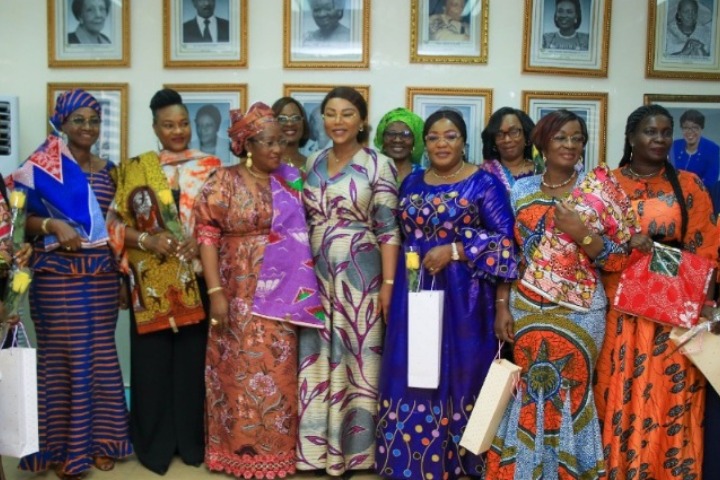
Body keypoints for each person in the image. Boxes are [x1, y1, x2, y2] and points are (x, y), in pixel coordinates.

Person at [487, 109, 638, 479]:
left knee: (572, 392)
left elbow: (617, 258)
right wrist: (502, 305)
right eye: (561, 137)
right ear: (542, 143)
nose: (570, 145)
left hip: (581, 311)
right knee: (531, 390)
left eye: (577, 138)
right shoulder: (520, 190)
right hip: (527, 306)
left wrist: (580, 232)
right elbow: (509, 254)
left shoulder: (599, 191)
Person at [375, 109, 518, 479]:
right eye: (434, 137)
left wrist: (455, 250)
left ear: (464, 141)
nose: (442, 143)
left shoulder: (484, 183)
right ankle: (411, 460)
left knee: (461, 371)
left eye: (450, 136)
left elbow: (506, 243)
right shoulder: (412, 182)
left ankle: (463, 460)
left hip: (465, 298)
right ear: (425, 144)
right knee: (414, 368)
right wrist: (403, 287)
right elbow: (403, 237)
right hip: (415, 292)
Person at [194, 102, 324, 478]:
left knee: (277, 370)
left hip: (282, 292)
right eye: (268, 142)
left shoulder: (290, 180)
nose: (277, 149)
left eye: (280, 141)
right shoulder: (223, 180)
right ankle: (233, 453)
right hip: (234, 291)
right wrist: (215, 292)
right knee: (233, 372)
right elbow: (206, 236)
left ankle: (276, 455)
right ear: (247, 145)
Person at [594, 104, 719, 479]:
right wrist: (624, 245)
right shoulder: (606, 185)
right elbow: (586, 240)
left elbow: (706, 251)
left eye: (666, 132)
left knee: (670, 397)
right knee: (616, 391)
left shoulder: (690, 185)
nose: (660, 139)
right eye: (651, 131)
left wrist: (707, 307)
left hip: (673, 313)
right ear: (632, 137)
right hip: (618, 310)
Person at [12, 89, 131, 480]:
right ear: (61, 123)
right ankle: (59, 448)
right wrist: (52, 224)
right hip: (56, 278)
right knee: (62, 360)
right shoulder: (40, 166)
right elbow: (17, 218)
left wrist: (122, 278)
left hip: (101, 278)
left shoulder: (111, 171)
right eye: (78, 119)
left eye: (94, 120)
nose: (87, 127)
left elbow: (116, 229)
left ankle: (100, 443)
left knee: (99, 357)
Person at [107, 88, 221, 475]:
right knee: (151, 366)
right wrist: (146, 240)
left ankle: (190, 442)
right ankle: (154, 445)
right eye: (169, 125)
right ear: (155, 127)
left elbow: (222, 222)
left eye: (183, 123)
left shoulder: (212, 167)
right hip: (149, 282)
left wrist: (201, 242)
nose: (178, 131)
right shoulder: (134, 169)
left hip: (196, 278)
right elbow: (113, 224)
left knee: (192, 364)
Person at [297, 86, 400, 477]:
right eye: (330, 113)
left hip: (362, 275)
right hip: (315, 273)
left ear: (361, 121)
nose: (337, 121)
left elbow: (389, 229)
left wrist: (388, 284)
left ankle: (358, 454)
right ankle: (315, 451)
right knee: (317, 355)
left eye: (347, 114)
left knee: (359, 356)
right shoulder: (313, 162)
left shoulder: (379, 164)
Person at [480, 106, 542, 193]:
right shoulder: (484, 173)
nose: (507, 140)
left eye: (514, 132)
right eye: (499, 134)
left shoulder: (541, 171)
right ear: (494, 141)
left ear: (526, 136)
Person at [671, 109, 720, 212]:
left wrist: (688, 190)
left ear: (701, 129)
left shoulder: (713, 149)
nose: (690, 132)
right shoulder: (674, 146)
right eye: (686, 128)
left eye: (695, 128)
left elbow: (710, 180)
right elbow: (668, 173)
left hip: (702, 200)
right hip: (675, 199)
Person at [373, 107, 425, 184]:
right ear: (382, 139)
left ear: (415, 141)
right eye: (391, 134)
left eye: (405, 134)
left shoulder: (425, 177)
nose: (397, 140)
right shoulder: (369, 174)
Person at [272, 96, 310, 170]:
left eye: (295, 118)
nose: (289, 124)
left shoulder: (312, 166)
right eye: (282, 119)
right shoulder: (265, 164)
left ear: (303, 123)